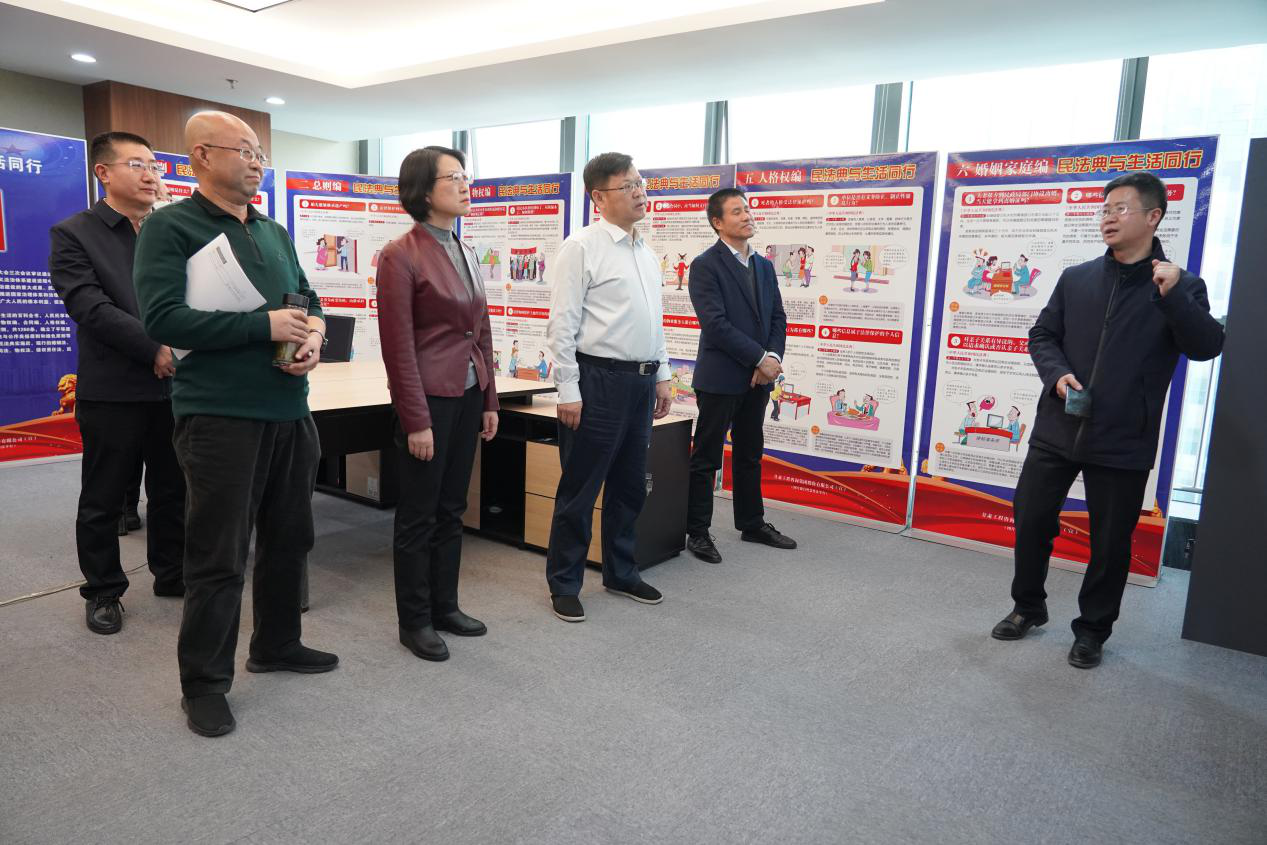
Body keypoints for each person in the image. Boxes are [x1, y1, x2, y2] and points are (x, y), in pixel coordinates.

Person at [134, 111, 337, 737]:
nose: (256, 163)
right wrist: (262, 326)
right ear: (201, 155)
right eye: (244, 151)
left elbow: (308, 298)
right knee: (218, 554)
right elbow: (164, 319)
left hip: (290, 409)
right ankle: (203, 682)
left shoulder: (273, 230)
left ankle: (277, 643)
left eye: (260, 155)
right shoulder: (171, 226)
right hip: (220, 415)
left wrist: (314, 335)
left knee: (290, 538)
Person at [991, 171, 1225, 669]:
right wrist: (1057, 375)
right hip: (1058, 427)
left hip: (1123, 438)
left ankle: (1093, 630)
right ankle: (1027, 607)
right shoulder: (1076, 278)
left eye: (1121, 208)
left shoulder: (1181, 286)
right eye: (1104, 209)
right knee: (1031, 519)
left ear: (1153, 216)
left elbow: (1207, 346)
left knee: (1110, 542)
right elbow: (1042, 335)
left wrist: (1174, 296)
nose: (1108, 218)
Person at [49, 131, 186, 635]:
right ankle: (103, 590)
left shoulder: (170, 228)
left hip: (176, 384)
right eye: (137, 164)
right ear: (103, 172)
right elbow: (89, 305)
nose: (152, 174)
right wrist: (153, 348)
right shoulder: (74, 233)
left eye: (155, 165)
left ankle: (172, 572)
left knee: (174, 489)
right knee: (104, 497)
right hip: (114, 388)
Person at [377, 145, 499, 663]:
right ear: (425, 191)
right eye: (454, 177)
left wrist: (489, 398)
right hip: (428, 399)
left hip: (467, 394)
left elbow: (481, 330)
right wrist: (415, 420)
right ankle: (415, 620)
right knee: (418, 514)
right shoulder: (400, 254)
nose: (466, 185)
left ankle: (446, 606)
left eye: (466, 176)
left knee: (452, 508)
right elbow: (397, 347)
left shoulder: (465, 250)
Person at [544, 152, 672, 622]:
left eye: (640, 183)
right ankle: (564, 583)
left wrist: (662, 375)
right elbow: (562, 324)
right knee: (580, 489)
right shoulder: (581, 247)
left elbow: (654, 321)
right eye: (628, 186)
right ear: (599, 197)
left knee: (630, 486)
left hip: (641, 382)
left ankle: (621, 572)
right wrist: (568, 390)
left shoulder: (646, 252)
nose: (640, 192)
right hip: (597, 380)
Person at [684, 188, 796, 564]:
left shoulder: (763, 265)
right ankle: (697, 531)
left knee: (750, 453)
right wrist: (759, 359)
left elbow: (777, 316)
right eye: (737, 211)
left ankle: (752, 523)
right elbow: (715, 325)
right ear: (718, 222)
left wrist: (772, 358)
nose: (747, 215)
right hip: (721, 377)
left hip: (758, 379)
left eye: (747, 209)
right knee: (707, 457)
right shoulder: (705, 265)